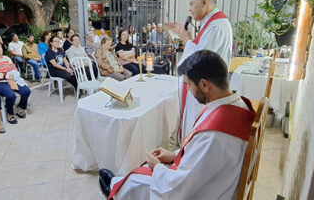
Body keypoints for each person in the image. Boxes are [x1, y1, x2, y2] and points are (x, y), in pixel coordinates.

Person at [99, 50, 255, 199]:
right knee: (138, 177)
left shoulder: (214, 134)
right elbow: (203, 152)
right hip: (218, 178)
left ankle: (117, 192)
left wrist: (157, 167)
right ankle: (119, 186)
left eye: (189, 85)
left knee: (137, 182)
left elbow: (178, 187)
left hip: (208, 192)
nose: (189, 90)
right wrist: (174, 154)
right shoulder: (236, 103)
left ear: (204, 85)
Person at [165, 0, 233, 147]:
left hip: (204, 88)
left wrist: (186, 39)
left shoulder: (217, 26)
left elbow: (201, 59)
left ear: (204, 2)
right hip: (202, 86)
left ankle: (187, 159)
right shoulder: (212, 24)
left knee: (196, 133)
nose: (189, 9)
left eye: (191, 4)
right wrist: (187, 39)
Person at [0, 42, 31, 124]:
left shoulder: (7, 58)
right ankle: (9, 113)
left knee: (26, 91)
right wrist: (6, 75)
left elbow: (14, 69)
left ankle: (20, 107)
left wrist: (11, 76)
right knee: (11, 95)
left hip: (12, 80)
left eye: (1, 47)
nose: (1, 49)